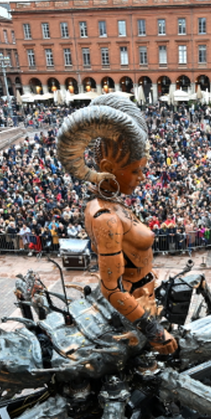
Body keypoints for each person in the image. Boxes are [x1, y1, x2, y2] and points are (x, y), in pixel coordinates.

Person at [56, 94, 177, 355]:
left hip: (143, 297)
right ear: (109, 167)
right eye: (135, 171)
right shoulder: (106, 218)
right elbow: (111, 288)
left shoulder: (107, 204)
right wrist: (154, 330)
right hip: (134, 312)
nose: (142, 178)